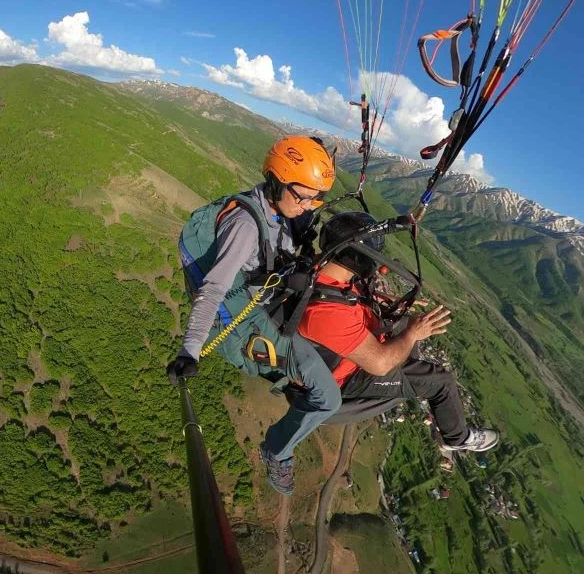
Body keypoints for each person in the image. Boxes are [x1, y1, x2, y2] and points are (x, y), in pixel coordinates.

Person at [167, 136, 341, 496]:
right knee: (329, 397)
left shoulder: (277, 210)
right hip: (240, 322)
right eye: (302, 197)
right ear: (276, 182)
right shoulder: (246, 227)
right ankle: (277, 451)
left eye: (315, 199)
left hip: (263, 298)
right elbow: (213, 289)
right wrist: (189, 350)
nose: (307, 206)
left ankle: (292, 383)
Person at [298, 211, 499, 453]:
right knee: (440, 381)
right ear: (359, 257)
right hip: (349, 375)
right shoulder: (327, 313)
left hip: (346, 347)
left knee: (403, 322)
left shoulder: (320, 271)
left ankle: (413, 378)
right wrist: (413, 334)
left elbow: (349, 297)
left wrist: (388, 303)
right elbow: (380, 365)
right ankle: (457, 438)